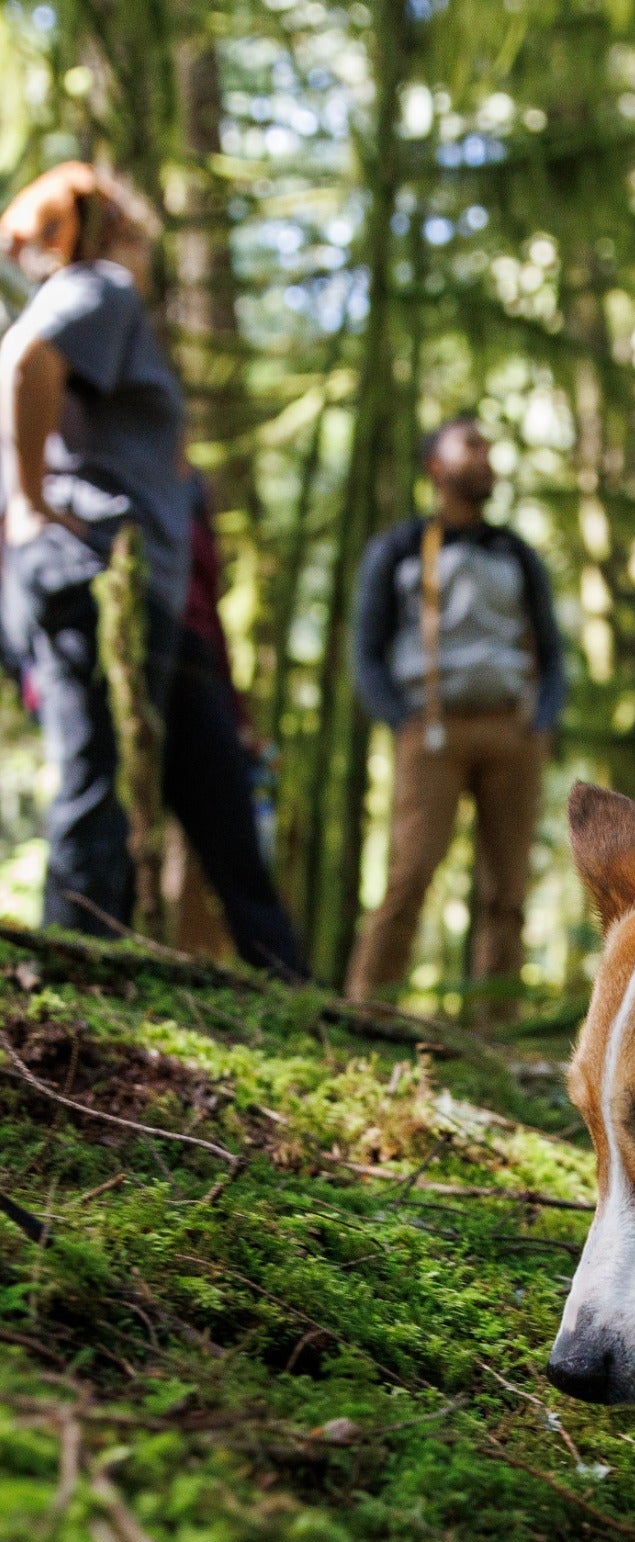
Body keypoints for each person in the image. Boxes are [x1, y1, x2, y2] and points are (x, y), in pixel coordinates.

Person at [0, 161, 303, 975]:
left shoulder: (100, 307)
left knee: (218, 801)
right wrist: (30, 504)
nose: (144, 250)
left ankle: (296, 993)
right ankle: (70, 982)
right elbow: (25, 359)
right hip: (98, 577)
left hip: (154, 600)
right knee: (95, 783)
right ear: (111, 230)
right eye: (136, 232)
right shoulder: (100, 287)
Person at [347, 417, 564, 1021]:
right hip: (431, 733)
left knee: (508, 892)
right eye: (470, 446)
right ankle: (367, 1012)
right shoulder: (397, 549)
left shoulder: (516, 553)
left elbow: (551, 650)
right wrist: (402, 721)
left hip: (512, 732)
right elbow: (366, 651)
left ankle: (497, 1030)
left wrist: (541, 722)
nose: (485, 457)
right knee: (409, 875)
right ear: (435, 466)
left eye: (488, 448)